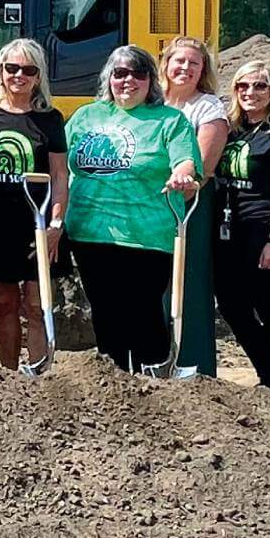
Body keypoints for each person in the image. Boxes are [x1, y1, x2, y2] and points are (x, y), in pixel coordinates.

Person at [64, 44, 203, 373]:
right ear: (108, 78)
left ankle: (153, 382)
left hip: (146, 233)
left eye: (138, 74)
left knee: (142, 311)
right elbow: (58, 160)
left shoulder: (169, 120)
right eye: (120, 73)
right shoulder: (87, 116)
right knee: (104, 311)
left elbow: (185, 161)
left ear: (150, 81)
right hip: (89, 231)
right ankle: (114, 387)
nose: (128, 80)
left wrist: (182, 175)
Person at [0, 39, 68, 370]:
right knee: (4, 303)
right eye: (11, 68)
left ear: (38, 76)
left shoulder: (50, 119)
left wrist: (56, 225)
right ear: (1, 71)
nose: (19, 76)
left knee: (36, 304)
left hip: (38, 225)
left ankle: (40, 373)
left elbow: (59, 176)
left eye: (28, 70)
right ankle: (10, 376)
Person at [212, 59, 270, 391]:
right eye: (243, 86)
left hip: (266, 230)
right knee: (232, 306)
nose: (251, 92)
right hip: (229, 232)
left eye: (260, 85)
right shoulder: (231, 130)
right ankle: (269, 375)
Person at [161, 37, 229, 378]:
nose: (185, 68)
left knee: (187, 284)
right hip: (146, 206)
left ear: (203, 71)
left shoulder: (208, 109)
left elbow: (200, 168)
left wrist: (180, 186)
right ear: (166, 64)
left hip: (187, 206)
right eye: (179, 61)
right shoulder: (151, 100)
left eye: (194, 63)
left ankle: (191, 362)